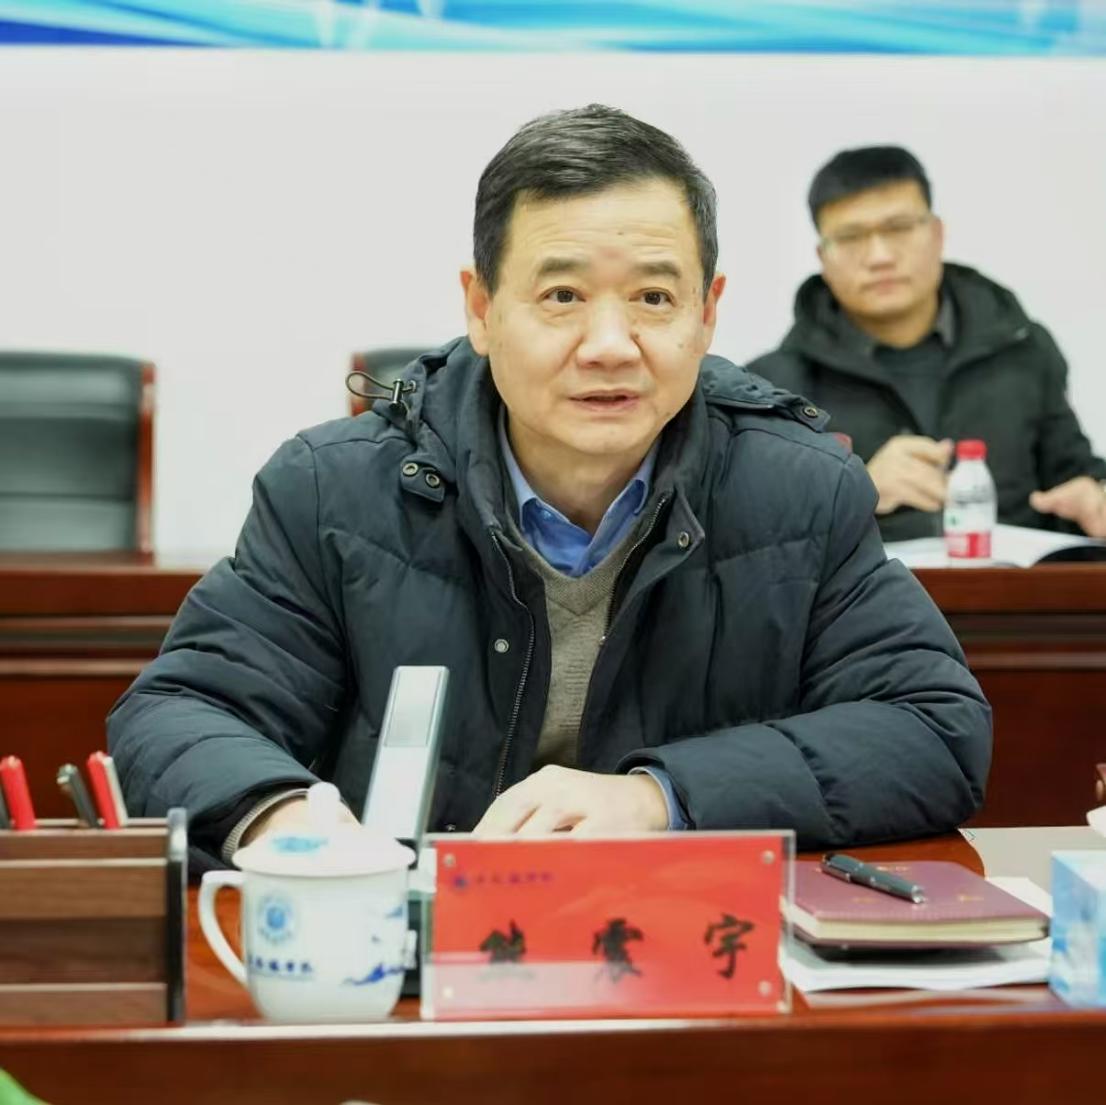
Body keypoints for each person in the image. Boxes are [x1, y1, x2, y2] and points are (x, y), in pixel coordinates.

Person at [107, 107, 990, 864]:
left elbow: (934, 728)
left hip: (682, 956)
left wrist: (659, 797)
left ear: (707, 312)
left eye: (653, 298)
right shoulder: (332, 493)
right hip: (411, 962)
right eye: (563, 296)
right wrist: (285, 819)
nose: (609, 344)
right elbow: (179, 709)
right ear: (481, 309)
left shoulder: (799, 491)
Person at [750, 146, 1106, 543]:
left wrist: (1094, 499)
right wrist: (855, 488)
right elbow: (749, 531)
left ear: (937, 234)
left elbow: (1074, 473)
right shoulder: (771, 388)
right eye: (850, 237)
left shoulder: (1022, 348)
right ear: (823, 256)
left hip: (1011, 581)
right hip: (861, 586)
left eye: (899, 228)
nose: (880, 256)